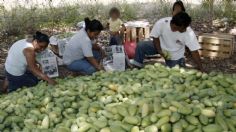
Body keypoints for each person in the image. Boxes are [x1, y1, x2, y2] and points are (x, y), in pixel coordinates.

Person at [130, 12, 204, 72]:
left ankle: (179, 63)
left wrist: (201, 68)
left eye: (181, 29)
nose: (174, 29)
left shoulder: (188, 32)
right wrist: (159, 50)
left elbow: (194, 51)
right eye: (174, 27)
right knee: (141, 46)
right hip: (160, 46)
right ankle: (136, 67)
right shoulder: (161, 23)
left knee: (175, 74)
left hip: (175, 55)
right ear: (172, 23)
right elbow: (155, 37)